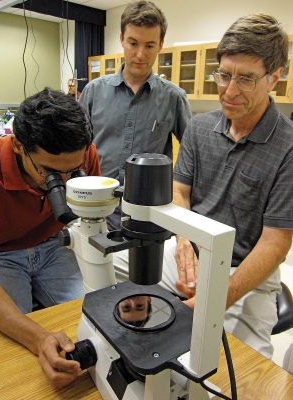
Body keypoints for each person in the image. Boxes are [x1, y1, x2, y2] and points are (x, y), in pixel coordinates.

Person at [113, 13, 293, 359]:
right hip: (189, 252)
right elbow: (179, 192)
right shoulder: (199, 128)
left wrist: (213, 299)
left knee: (237, 371)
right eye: (224, 75)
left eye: (246, 80)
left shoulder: (287, 148)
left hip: (245, 270)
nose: (228, 90)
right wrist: (183, 243)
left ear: (275, 78)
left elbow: (275, 243)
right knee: (112, 273)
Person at [0, 87, 101, 386]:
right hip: (1, 254)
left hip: (55, 244)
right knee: (11, 346)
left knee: (92, 321)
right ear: (17, 145)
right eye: (51, 173)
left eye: (73, 172)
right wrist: (38, 338)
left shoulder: (82, 153)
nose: (65, 182)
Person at [79, 0, 192, 230]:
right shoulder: (93, 91)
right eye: (133, 43)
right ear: (121, 39)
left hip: (149, 209)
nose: (140, 54)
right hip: (98, 205)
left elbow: (192, 157)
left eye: (149, 45)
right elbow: (75, 147)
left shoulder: (173, 98)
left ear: (161, 45)